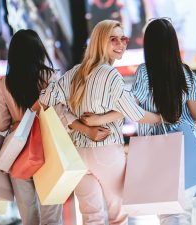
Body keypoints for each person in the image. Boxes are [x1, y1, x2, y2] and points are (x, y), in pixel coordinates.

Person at [81, 18, 196, 225]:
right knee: (184, 210)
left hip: (155, 148)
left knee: (167, 210)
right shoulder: (186, 73)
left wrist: (99, 119)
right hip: (186, 145)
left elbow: (129, 106)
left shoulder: (144, 71)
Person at [39, 20, 161, 225]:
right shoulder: (111, 74)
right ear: (99, 41)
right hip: (106, 151)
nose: (121, 44)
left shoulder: (74, 72)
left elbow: (44, 100)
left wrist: (81, 126)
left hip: (77, 153)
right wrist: (161, 118)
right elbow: (135, 113)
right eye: (113, 39)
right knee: (118, 216)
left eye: (124, 39)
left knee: (91, 217)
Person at [0, 29, 109, 225]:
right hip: (49, 150)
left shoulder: (4, 84)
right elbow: (62, 114)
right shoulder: (49, 77)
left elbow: (1, 124)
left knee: (29, 218)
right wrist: (86, 129)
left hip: (18, 153)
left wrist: (18, 122)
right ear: (38, 51)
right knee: (51, 218)